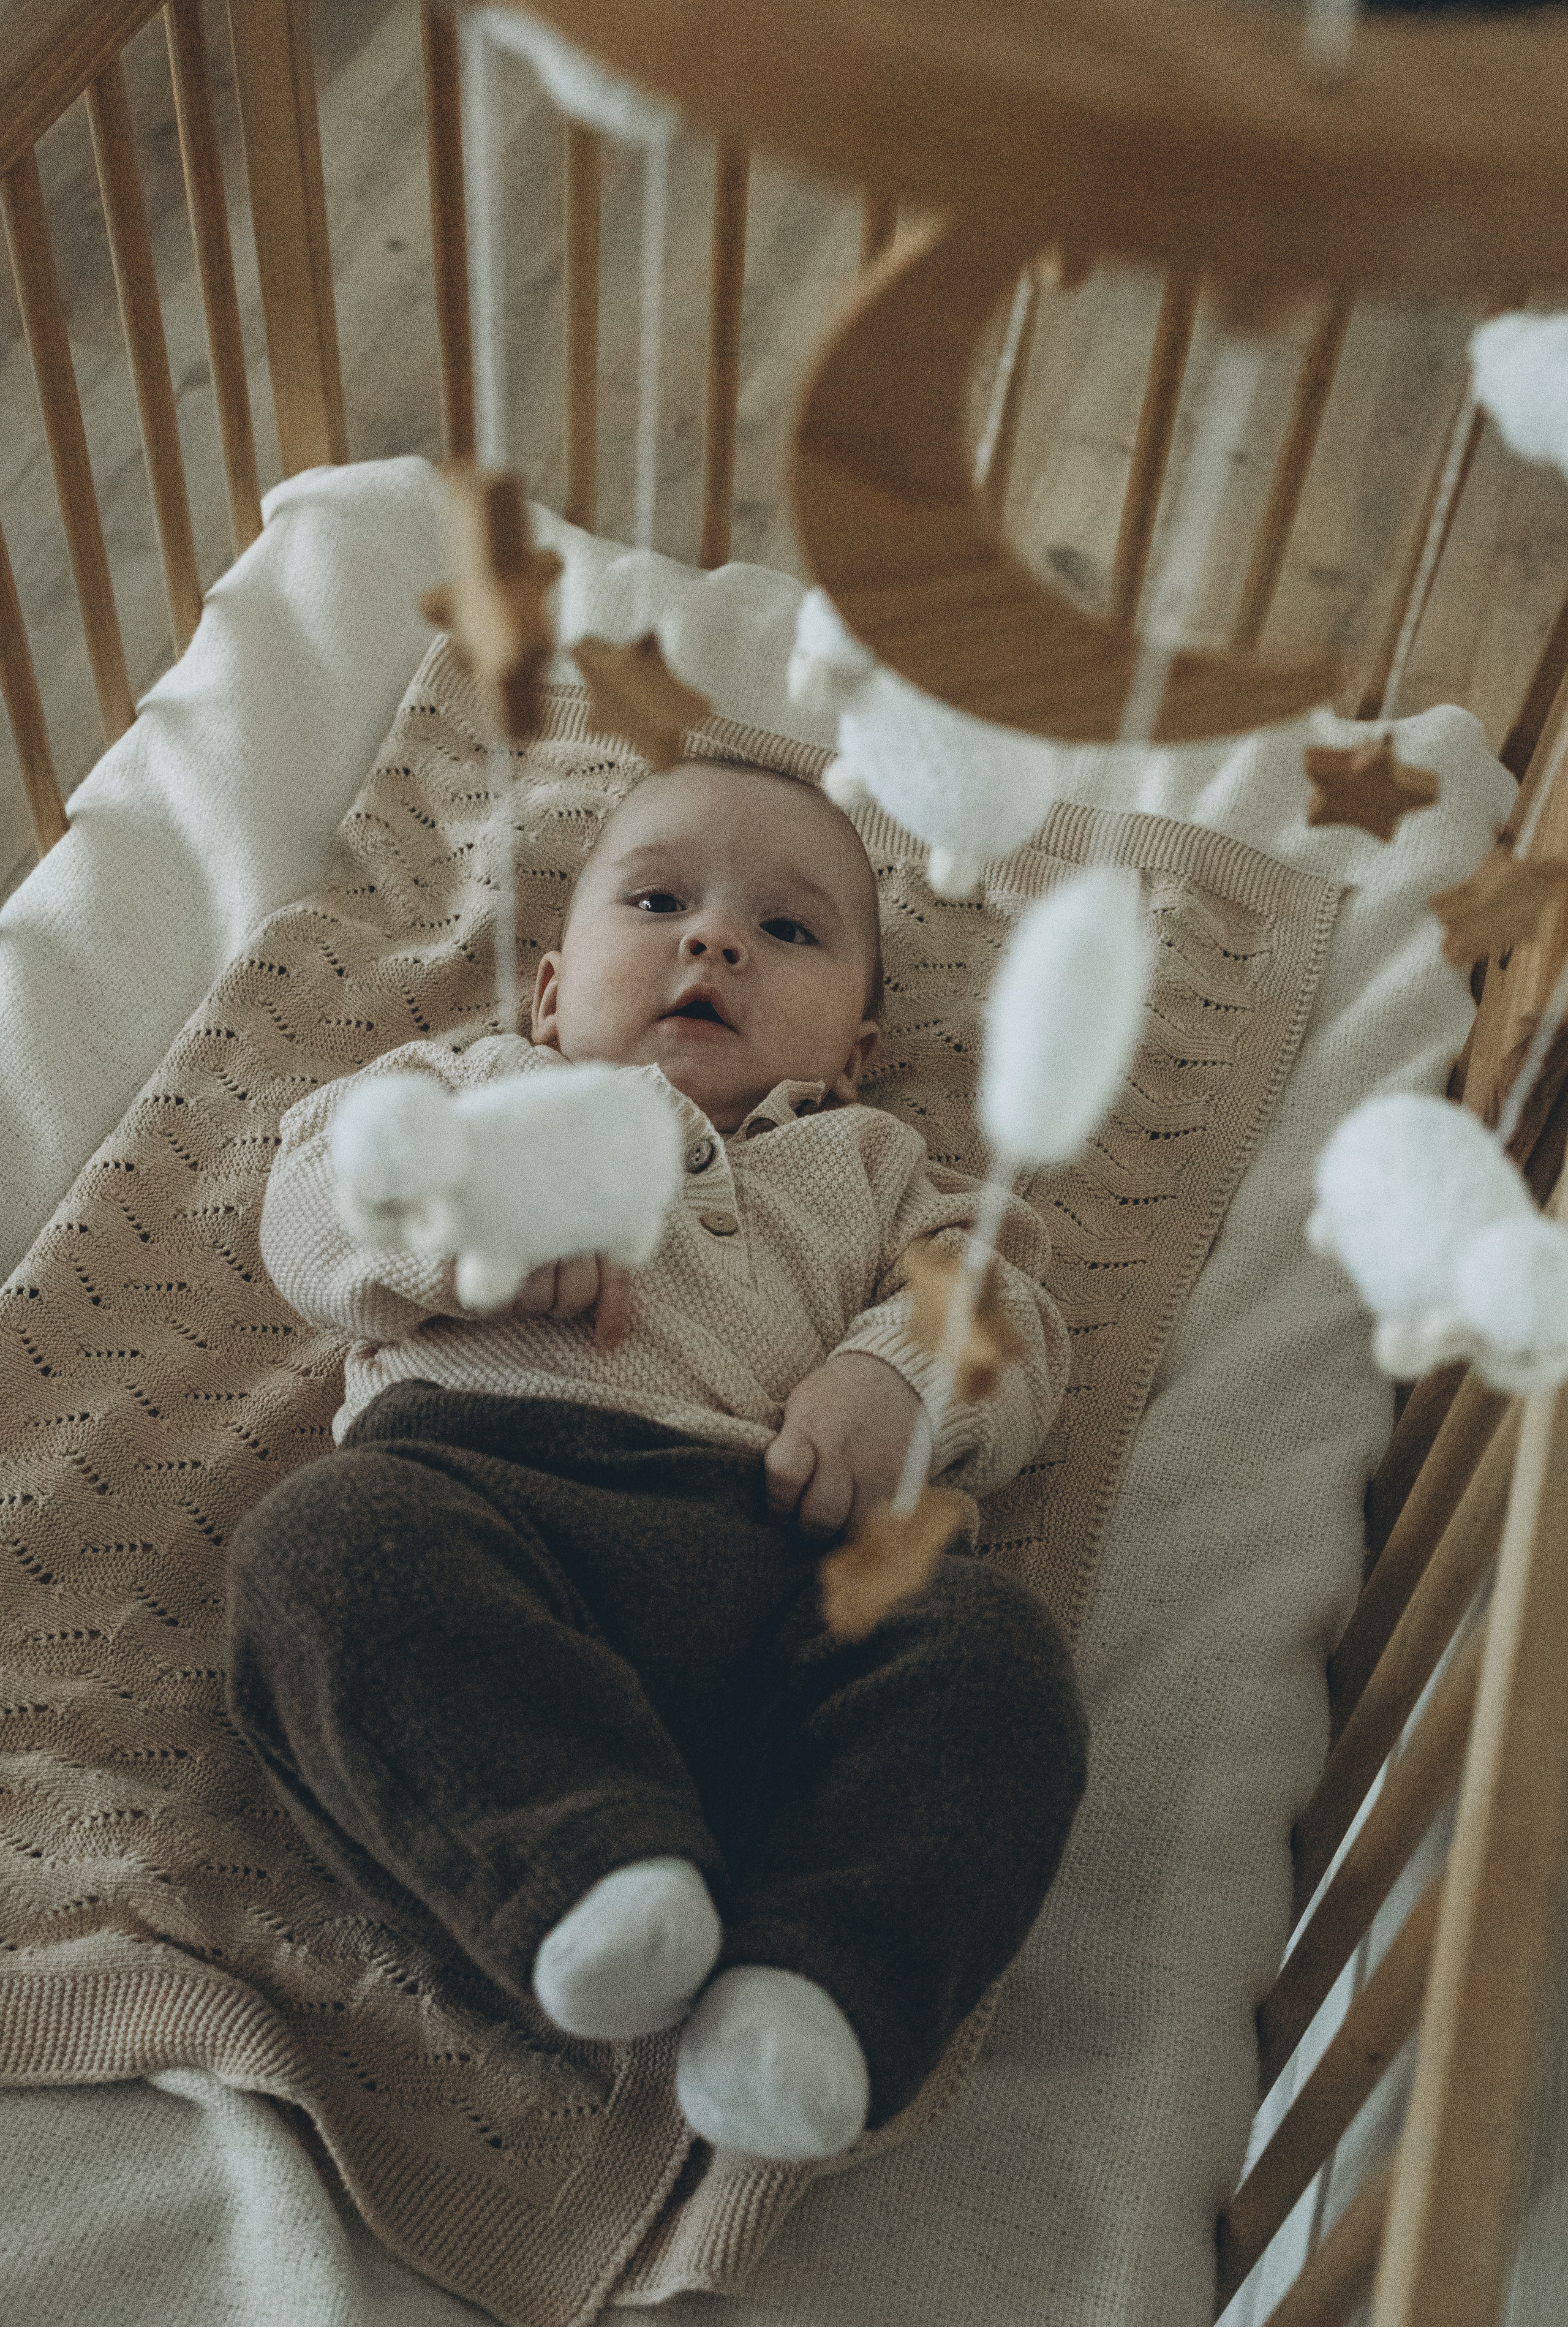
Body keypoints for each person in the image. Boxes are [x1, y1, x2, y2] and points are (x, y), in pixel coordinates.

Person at [228, 753, 1087, 2164]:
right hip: (476, 1498)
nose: (714, 940)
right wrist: (469, 1225)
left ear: (855, 1050)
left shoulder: (868, 1162)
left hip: (781, 1567)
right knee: (317, 1551)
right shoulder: (477, 1088)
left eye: (787, 930)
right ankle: (585, 1872)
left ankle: (810, 1991)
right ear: (553, 990)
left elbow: (998, 1311)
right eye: (659, 900)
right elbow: (319, 1198)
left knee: (990, 1653)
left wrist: (893, 1379)